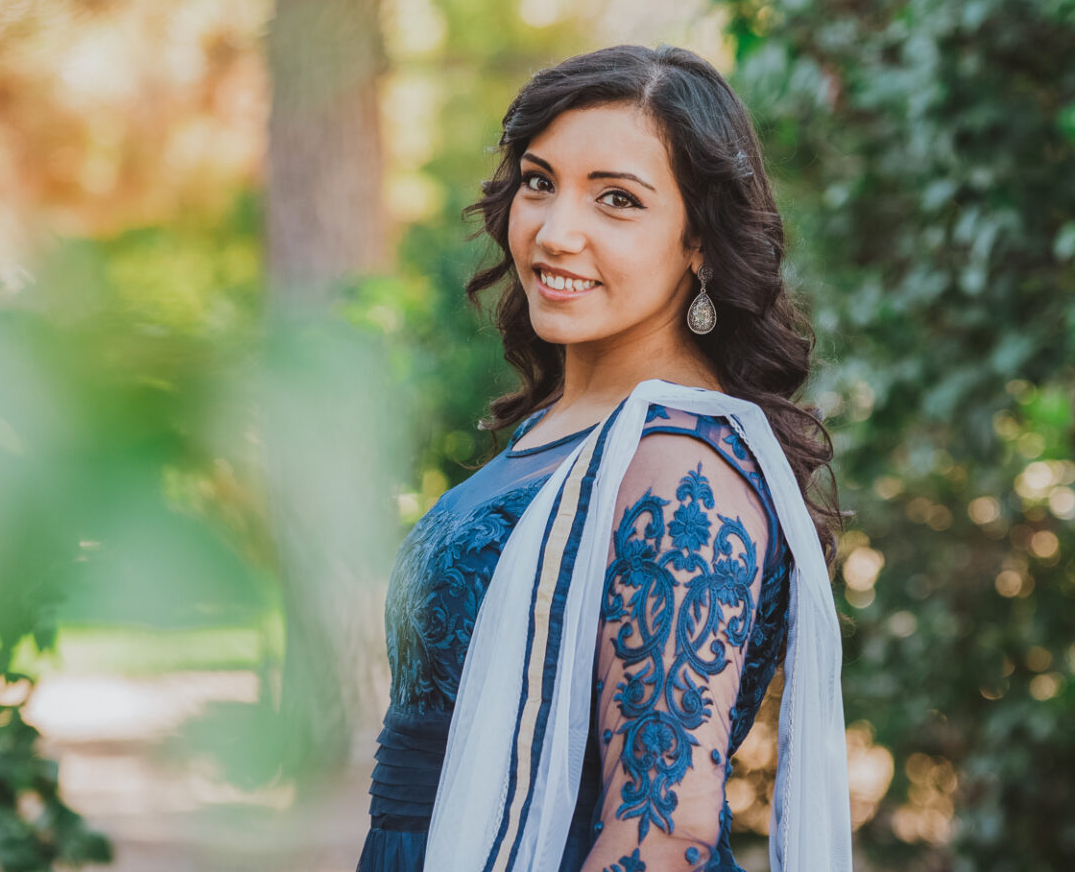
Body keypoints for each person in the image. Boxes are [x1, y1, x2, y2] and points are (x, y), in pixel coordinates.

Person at [354, 44, 852, 872]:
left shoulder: (682, 467)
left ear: (700, 241)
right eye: (539, 182)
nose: (556, 232)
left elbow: (664, 829)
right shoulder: (562, 427)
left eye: (617, 199)